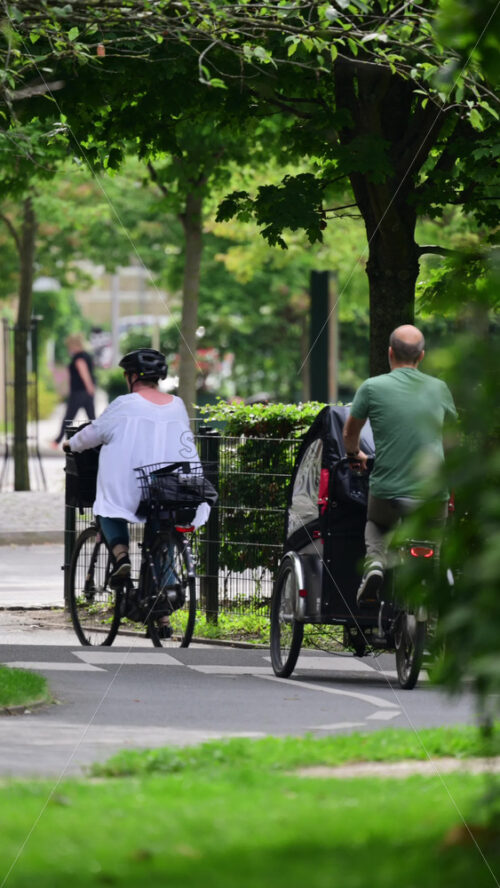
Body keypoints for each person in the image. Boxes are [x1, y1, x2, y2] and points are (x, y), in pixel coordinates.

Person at [63, 348, 209, 588]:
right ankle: (163, 609)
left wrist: (72, 443)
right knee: (164, 525)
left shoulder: (124, 404)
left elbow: (95, 432)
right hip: (172, 487)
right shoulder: (178, 405)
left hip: (132, 488)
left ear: (132, 377)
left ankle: (121, 557)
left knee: (107, 508)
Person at [342, 325, 457, 607]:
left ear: (390, 353)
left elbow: (349, 433)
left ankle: (375, 565)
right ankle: (433, 592)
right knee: (432, 537)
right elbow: (453, 440)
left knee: (377, 524)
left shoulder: (372, 387)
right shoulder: (440, 388)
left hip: (387, 491)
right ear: (422, 356)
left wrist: (355, 455)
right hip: (432, 491)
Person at [52, 334, 96, 447]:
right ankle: (98, 440)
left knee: (68, 417)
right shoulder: (86, 355)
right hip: (86, 392)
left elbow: (84, 373)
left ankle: (56, 441)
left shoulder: (79, 357)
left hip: (79, 392)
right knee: (92, 418)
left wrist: (89, 386)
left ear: (73, 345)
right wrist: (90, 389)